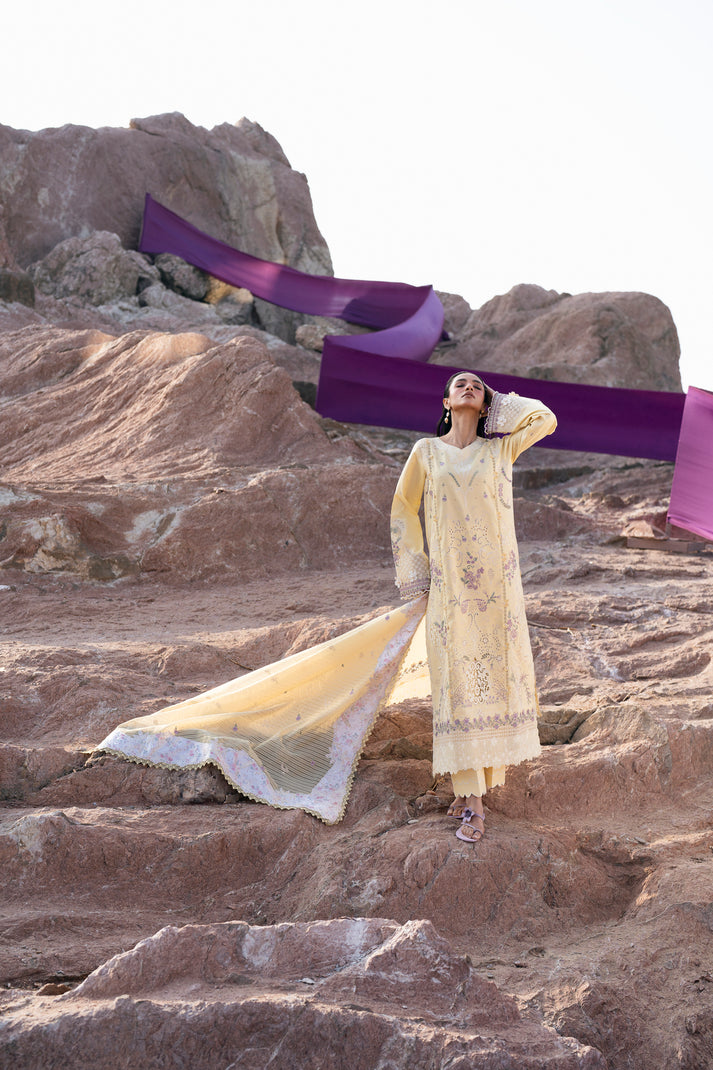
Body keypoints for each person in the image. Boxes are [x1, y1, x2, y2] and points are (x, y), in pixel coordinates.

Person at [390, 371, 557, 843]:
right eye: (459, 384)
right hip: (449, 590)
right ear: (445, 401)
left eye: (477, 386)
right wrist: (416, 574)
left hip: (496, 594)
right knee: (457, 686)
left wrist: (499, 401)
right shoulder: (426, 451)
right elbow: (402, 508)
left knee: (490, 684)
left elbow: (545, 418)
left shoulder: (499, 451)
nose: (469, 387)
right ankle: (474, 802)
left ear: (486, 405)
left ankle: (470, 790)